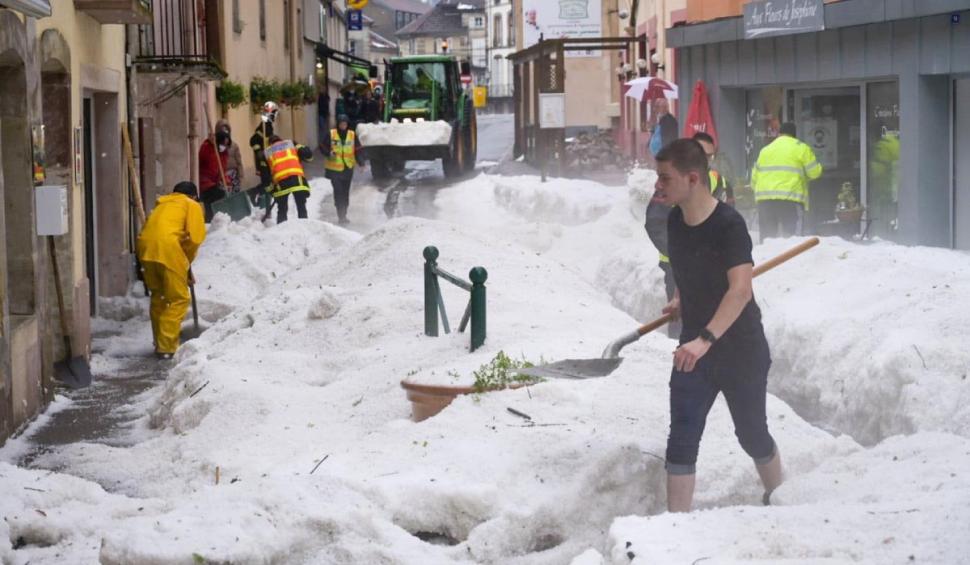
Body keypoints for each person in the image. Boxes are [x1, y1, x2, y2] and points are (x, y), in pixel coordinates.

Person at [651, 138, 783, 513]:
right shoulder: (675, 219)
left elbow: (740, 292)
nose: (658, 186)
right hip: (695, 350)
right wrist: (680, 298)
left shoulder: (729, 225)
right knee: (682, 436)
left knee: (752, 434)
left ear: (693, 178)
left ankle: (779, 498)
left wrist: (704, 340)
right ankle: (675, 527)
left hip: (739, 348)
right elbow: (686, 267)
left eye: (665, 178)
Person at [136, 181, 206, 360]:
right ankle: (167, 347)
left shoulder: (163, 204)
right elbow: (195, 238)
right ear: (193, 196)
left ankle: (159, 341)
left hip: (145, 249)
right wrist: (186, 262)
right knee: (179, 299)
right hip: (167, 249)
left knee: (158, 295)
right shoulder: (191, 205)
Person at [751, 122, 822, 240]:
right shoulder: (801, 148)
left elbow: (754, 179)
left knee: (767, 241)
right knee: (792, 240)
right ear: (794, 134)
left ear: (779, 133)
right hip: (790, 200)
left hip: (765, 202)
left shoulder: (766, 150)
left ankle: (768, 258)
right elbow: (814, 172)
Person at [322, 114, 364, 225]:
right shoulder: (331, 134)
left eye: (345, 124)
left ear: (347, 124)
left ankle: (344, 214)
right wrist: (328, 153)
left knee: (345, 193)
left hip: (347, 169)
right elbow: (322, 147)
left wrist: (361, 162)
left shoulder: (352, 135)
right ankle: (340, 215)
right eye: (341, 124)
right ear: (338, 124)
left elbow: (358, 150)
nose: (343, 126)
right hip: (334, 170)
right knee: (338, 192)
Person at [264, 135, 314, 223]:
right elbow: (308, 155)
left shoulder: (268, 152)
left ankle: (282, 229)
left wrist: (271, 190)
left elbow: (266, 175)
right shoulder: (290, 144)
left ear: (270, 144)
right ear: (280, 140)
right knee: (301, 206)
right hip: (297, 180)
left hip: (281, 183)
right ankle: (305, 227)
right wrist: (299, 146)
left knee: (282, 209)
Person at [247, 101, 279, 206]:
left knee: (268, 183)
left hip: (267, 159)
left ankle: (261, 199)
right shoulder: (264, 126)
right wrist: (258, 151)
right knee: (267, 183)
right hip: (262, 161)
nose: (275, 115)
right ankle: (256, 194)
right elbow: (253, 140)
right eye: (274, 112)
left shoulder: (268, 125)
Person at [692, 132, 734, 206]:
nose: (707, 160)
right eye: (703, 154)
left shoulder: (719, 181)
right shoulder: (677, 179)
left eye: (710, 156)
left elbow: (728, 211)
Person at [198, 130, 230, 222]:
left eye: (226, 144)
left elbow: (222, 169)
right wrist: (211, 143)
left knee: (219, 194)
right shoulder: (207, 147)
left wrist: (226, 180)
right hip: (204, 181)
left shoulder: (224, 153)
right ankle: (209, 219)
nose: (224, 146)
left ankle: (213, 218)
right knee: (216, 195)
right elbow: (201, 158)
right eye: (223, 143)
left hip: (214, 182)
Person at [216, 119, 244, 194]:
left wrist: (241, 177)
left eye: (226, 129)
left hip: (233, 175)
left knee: (235, 195)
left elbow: (239, 163)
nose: (225, 131)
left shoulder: (234, 146)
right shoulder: (215, 147)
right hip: (221, 176)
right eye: (222, 129)